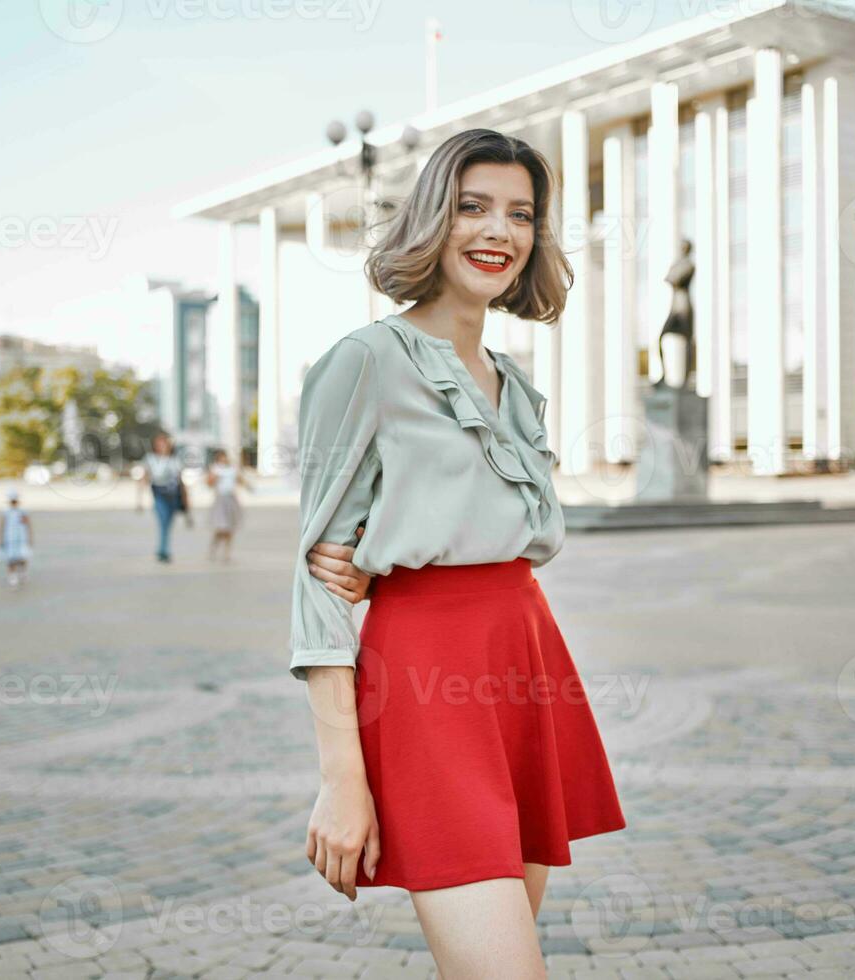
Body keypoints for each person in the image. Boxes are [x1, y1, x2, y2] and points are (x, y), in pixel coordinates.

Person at [289, 128, 626, 977]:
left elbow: (516, 542)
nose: (499, 231)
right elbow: (317, 589)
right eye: (473, 207)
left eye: (520, 214)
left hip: (528, 662)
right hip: (427, 685)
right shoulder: (365, 361)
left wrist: (395, 553)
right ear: (432, 219)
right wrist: (341, 778)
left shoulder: (514, 383)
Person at [142, 431, 191, 563]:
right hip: (159, 494)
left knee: (168, 523)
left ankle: (163, 548)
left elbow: (181, 481)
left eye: (164, 443)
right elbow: (145, 478)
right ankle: (163, 550)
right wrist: (139, 499)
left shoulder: (175, 460)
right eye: (159, 443)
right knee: (163, 521)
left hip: (173, 496)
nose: (162, 445)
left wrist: (186, 501)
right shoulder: (150, 459)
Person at [204, 448, 249, 562]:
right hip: (220, 499)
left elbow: (240, 480)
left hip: (231, 499)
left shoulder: (231, 469)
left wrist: (248, 485)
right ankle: (214, 547)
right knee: (221, 527)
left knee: (229, 528)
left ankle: (227, 552)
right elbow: (208, 483)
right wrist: (214, 478)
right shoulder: (215, 469)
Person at [0, 488, 33, 589]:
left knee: (23, 557)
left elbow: (28, 525)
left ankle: (22, 573)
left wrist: (30, 538)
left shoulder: (23, 512)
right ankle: (12, 576)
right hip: (9, 538)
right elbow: (1, 527)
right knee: (10, 558)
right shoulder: (5, 513)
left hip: (21, 538)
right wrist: (0, 539)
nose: (13, 503)